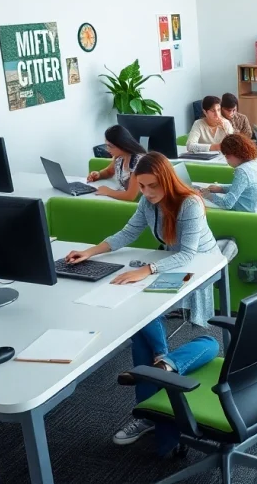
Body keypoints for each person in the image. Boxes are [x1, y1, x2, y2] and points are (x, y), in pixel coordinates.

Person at [66, 152, 221, 453]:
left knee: (144, 311)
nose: (147, 193)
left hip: (200, 265)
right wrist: (90, 252)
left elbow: (189, 253)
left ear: (167, 181)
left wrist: (146, 270)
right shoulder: (147, 202)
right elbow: (127, 233)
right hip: (172, 263)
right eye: (142, 186)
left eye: (153, 186)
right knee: (140, 320)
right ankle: (161, 365)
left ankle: (152, 396)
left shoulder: (189, 203)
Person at [201, 134, 257, 214]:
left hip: (246, 216)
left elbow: (227, 204)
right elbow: (244, 188)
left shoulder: (242, 171)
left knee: (201, 208)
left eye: (227, 156)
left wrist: (207, 196)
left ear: (235, 154)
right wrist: (221, 189)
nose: (226, 160)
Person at [87, 125, 144, 202]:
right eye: (107, 145)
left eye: (110, 146)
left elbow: (130, 196)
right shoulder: (119, 157)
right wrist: (99, 175)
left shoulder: (139, 162)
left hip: (139, 203)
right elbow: (109, 171)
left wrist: (108, 191)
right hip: (123, 199)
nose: (107, 150)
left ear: (122, 144)